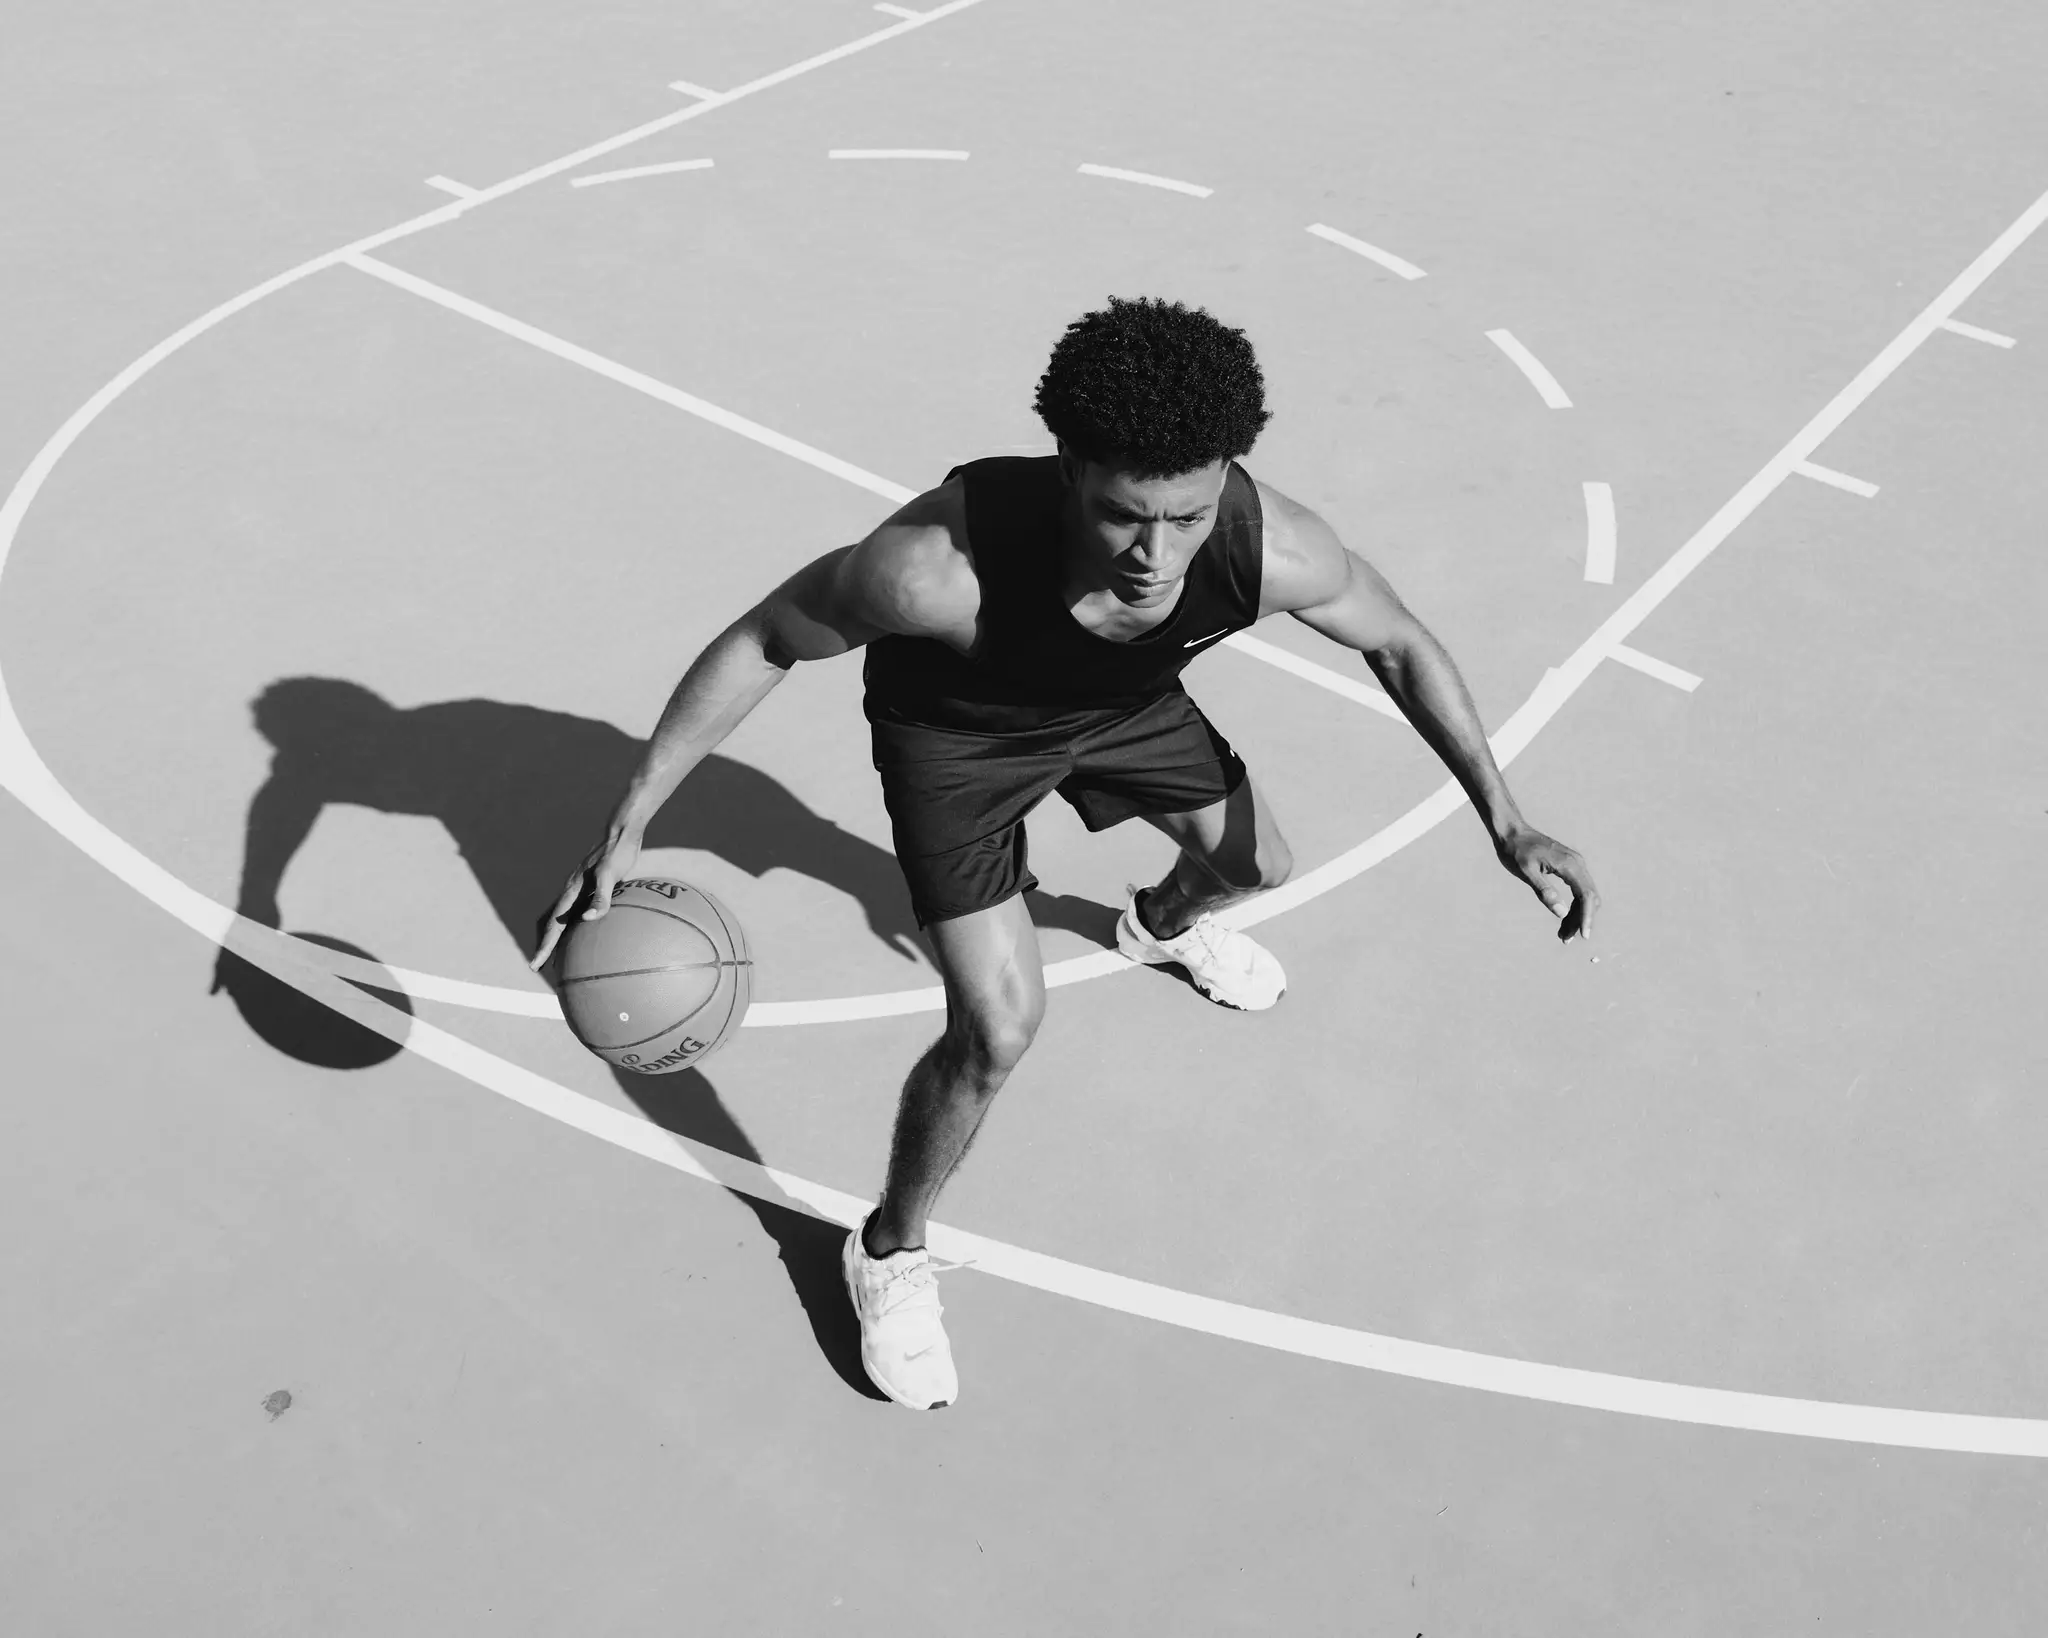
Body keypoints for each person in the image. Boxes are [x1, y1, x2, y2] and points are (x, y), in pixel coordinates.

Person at [529, 295, 1600, 1410]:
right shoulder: (929, 570)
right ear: (1066, 469)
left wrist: (1504, 818)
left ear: (1226, 472)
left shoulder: (1276, 547)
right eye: (1125, 517)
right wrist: (633, 814)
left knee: (1258, 869)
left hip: (1122, 708)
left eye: (1186, 517)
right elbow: (762, 639)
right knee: (997, 1030)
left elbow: (1398, 643)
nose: (1154, 554)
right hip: (958, 741)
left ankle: (1155, 924)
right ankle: (888, 1252)